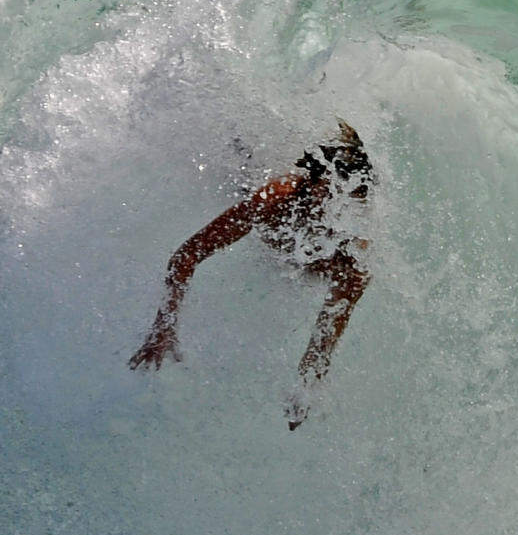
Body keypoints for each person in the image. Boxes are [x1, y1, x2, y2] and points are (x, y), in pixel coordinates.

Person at [129, 120, 374, 429]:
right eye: (330, 196)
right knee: (239, 168)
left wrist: (306, 387)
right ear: (314, 183)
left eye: (347, 200)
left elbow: (327, 332)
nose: (335, 210)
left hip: (303, 260)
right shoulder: (276, 198)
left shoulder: (352, 251)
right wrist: (163, 327)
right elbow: (187, 255)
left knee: (353, 273)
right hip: (254, 191)